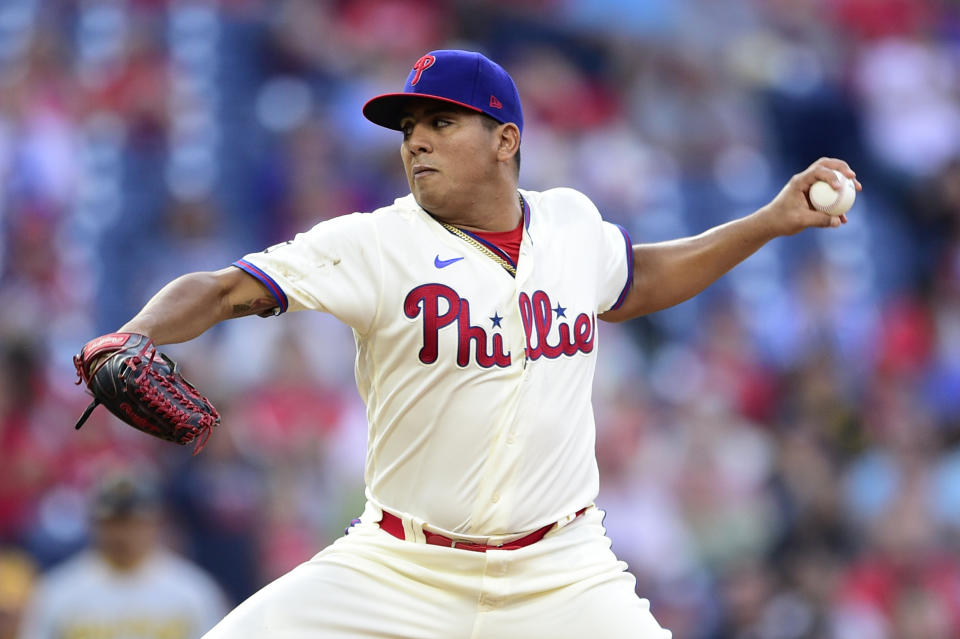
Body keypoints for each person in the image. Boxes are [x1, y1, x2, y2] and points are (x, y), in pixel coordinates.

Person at [80, 50, 860, 638]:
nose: (415, 141)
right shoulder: (373, 242)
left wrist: (768, 220)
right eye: (408, 128)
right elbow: (221, 287)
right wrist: (135, 332)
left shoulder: (570, 224)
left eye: (441, 122)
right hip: (399, 566)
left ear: (505, 139)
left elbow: (641, 279)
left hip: (562, 570)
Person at [17, 473, 226, 639]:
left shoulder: (193, 592)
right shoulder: (58, 591)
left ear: (155, 524)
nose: (122, 534)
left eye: (132, 523)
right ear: (94, 525)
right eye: (113, 523)